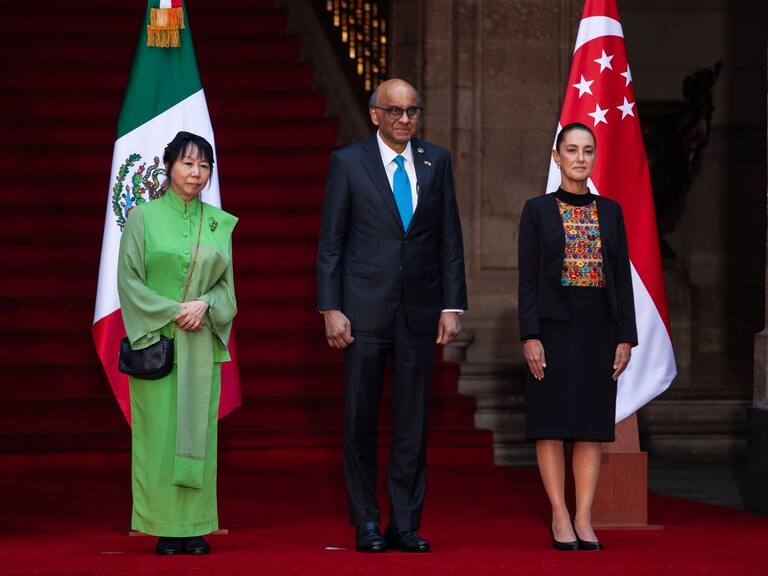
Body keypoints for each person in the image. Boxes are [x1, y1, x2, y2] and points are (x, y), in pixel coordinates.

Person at [317, 78, 467, 553]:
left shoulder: (436, 161)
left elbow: (449, 238)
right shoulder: (348, 163)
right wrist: (330, 307)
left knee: (413, 421)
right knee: (360, 418)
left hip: (419, 312)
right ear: (375, 114)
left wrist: (451, 304)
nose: (405, 119)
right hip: (362, 311)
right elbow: (331, 243)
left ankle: (404, 522)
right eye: (395, 111)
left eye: (412, 111)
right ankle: (365, 519)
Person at [517, 122, 637, 551]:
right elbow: (527, 281)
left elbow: (621, 278)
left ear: (594, 157)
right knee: (550, 427)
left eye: (588, 150)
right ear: (557, 157)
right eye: (571, 149)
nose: (580, 158)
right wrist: (529, 335)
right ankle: (559, 515)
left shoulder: (611, 211)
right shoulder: (536, 210)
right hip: (550, 331)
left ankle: (584, 517)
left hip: (598, 332)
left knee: (590, 427)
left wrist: (626, 336)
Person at [117, 131, 237, 555]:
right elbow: (128, 281)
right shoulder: (142, 219)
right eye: (188, 163)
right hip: (158, 344)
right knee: (159, 435)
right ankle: (163, 527)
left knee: (198, 434)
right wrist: (173, 311)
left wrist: (204, 304)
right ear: (168, 166)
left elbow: (227, 290)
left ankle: (196, 525)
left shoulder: (219, 224)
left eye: (204, 165)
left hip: (201, 344)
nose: (196, 172)